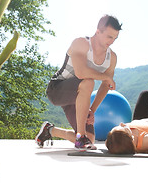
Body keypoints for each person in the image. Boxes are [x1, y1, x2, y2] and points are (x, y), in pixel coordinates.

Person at [35, 15, 122, 150]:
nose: (112, 41)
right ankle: (80, 137)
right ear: (98, 31)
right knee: (88, 81)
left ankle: (50, 130)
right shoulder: (81, 43)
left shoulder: (112, 58)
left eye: (115, 38)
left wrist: (91, 111)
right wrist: (105, 77)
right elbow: (81, 73)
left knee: (91, 139)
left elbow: (106, 86)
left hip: (79, 96)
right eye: (109, 37)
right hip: (57, 89)